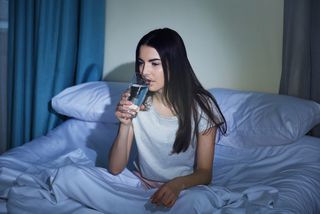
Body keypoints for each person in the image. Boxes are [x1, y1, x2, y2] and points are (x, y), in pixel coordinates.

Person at [108, 28, 226, 208]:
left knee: (197, 202)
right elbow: (115, 168)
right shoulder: (136, 97)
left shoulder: (201, 105)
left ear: (175, 64)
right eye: (141, 63)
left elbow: (204, 173)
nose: (145, 71)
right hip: (141, 184)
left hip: (183, 188)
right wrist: (125, 124)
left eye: (154, 63)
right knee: (72, 176)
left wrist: (176, 185)